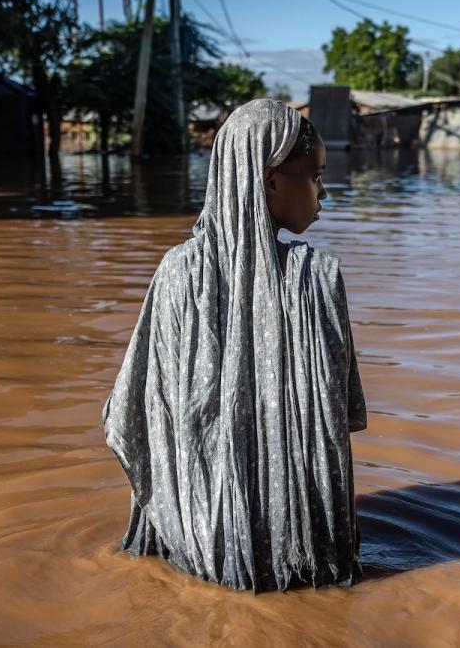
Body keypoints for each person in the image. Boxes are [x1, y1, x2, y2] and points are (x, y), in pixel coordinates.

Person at [101, 98, 368, 593]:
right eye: (315, 176)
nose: (324, 192)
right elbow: (340, 422)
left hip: (199, 546)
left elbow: (135, 415)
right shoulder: (316, 276)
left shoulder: (177, 274)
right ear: (269, 181)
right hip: (307, 554)